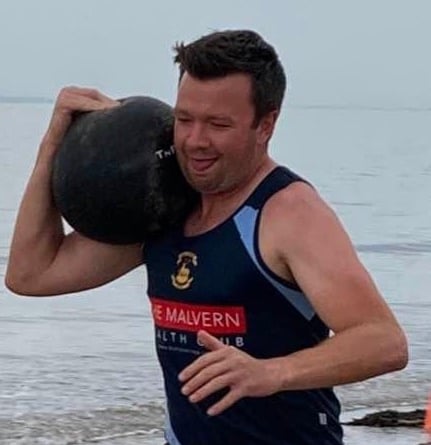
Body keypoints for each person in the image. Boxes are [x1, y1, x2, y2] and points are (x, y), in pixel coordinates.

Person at [5, 29, 408, 445]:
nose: (195, 141)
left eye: (218, 124)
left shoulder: (289, 213)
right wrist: (53, 145)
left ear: (265, 125)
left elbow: (383, 341)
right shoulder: (162, 207)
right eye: (184, 120)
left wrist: (271, 372)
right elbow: (31, 274)